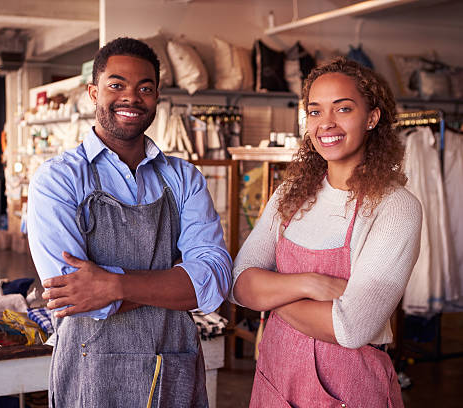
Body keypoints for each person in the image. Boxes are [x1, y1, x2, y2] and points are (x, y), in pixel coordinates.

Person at [27, 37, 231, 408]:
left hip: (172, 365)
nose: (131, 97)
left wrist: (113, 285)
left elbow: (213, 281)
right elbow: (74, 297)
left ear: (157, 98)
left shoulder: (184, 177)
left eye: (145, 88)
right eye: (116, 85)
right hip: (90, 373)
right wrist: (172, 282)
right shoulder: (58, 180)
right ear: (93, 92)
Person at [231, 57, 422, 407]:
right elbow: (240, 286)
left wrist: (271, 293)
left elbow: (349, 328)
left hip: (348, 386)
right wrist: (310, 284)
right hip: (276, 376)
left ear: (373, 117)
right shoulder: (289, 193)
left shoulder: (395, 207)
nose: (326, 123)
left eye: (343, 108)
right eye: (315, 111)